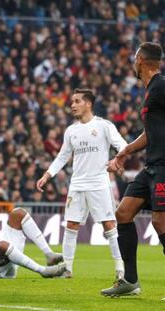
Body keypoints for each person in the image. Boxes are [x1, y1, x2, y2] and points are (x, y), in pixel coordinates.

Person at [36, 88, 127, 279]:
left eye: (77, 101)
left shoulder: (104, 126)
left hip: (99, 183)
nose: (72, 105)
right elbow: (62, 156)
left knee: (109, 224)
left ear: (88, 104)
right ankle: (66, 269)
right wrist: (47, 175)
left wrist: (117, 160)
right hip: (77, 184)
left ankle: (120, 269)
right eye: (72, 101)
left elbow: (123, 146)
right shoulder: (71, 130)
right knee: (71, 225)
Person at [102, 42, 165, 297]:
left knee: (160, 221)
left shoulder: (161, 86)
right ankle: (130, 281)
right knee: (123, 213)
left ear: (140, 60)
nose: (132, 62)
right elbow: (150, 134)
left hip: (164, 166)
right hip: (151, 166)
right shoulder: (151, 90)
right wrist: (125, 151)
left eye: (134, 58)